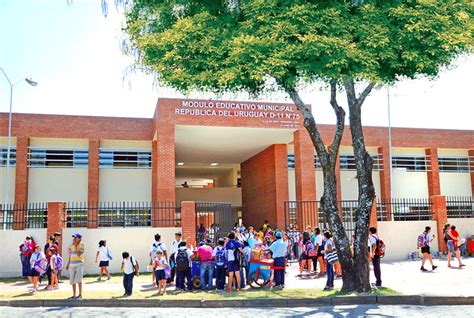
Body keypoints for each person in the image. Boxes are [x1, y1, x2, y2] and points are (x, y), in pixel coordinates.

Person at [66, 233, 85, 300]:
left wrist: (76, 246)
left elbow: (79, 254)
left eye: (75, 237)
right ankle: (74, 295)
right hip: (72, 264)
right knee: (72, 281)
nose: (74, 238)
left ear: (79, 238)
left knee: (79, 280)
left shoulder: (82, 244)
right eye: (73, 237)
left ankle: (80, 295)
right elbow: (70, 255)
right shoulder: (71, 245)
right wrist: (68, 264)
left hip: (79, 264)